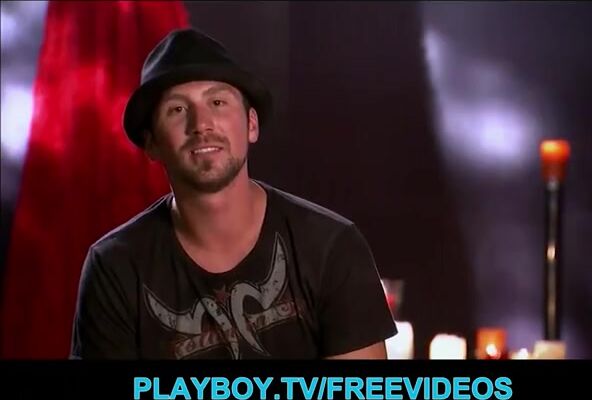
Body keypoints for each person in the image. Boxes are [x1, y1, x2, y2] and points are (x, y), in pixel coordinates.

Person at [70, 28, 397, 360]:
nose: (202, 124)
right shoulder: (115, 267)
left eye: (217, 102)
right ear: (151, 143)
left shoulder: (331, 247)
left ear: (251, 124)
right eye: (177, 109)